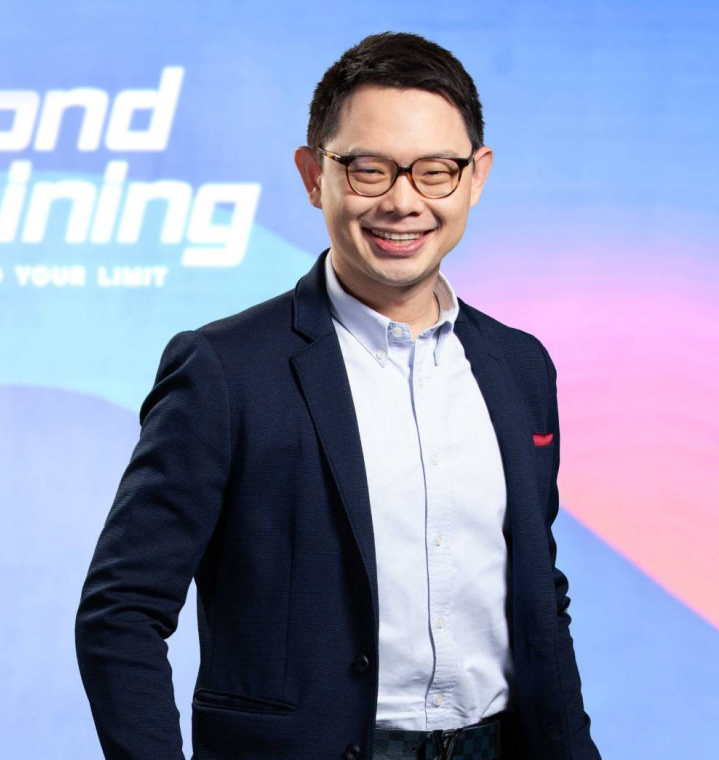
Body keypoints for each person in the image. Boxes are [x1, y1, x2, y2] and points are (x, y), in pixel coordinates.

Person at [75, 31, 601, 760]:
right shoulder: (225, 371)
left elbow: (540, 593)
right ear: (313, 175)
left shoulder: (519, 367)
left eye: (435, 172)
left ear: (476, 176)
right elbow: (121, 612)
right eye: (368, 170)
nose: (402, 202)